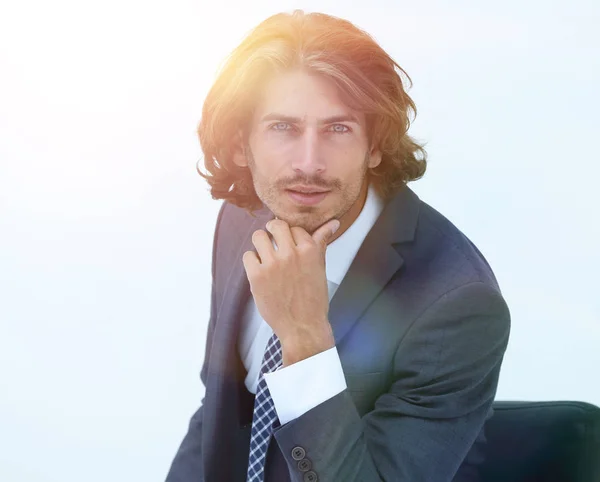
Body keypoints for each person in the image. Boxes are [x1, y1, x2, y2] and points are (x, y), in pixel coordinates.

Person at [165, 9, 510, 482]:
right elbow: (218, 414)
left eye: (338, 128)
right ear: (241, 144)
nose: (310, 163)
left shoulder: (457, 304)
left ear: (375, 145)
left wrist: (304, 339)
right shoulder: (237, 222)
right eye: (283, 127)